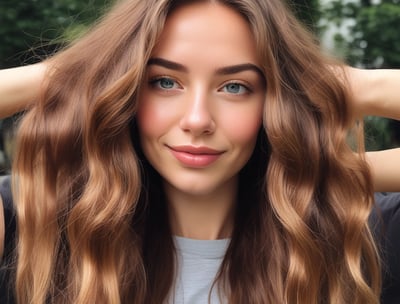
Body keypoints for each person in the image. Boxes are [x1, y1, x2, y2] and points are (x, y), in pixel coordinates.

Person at [0, 0, 399, 303]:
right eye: (164, 82)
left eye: (235, 86)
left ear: (276, 102)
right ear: (121, 90)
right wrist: (72, 77)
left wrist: (343, 93)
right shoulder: (35, 220)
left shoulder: (358, 232)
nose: (197, 119)